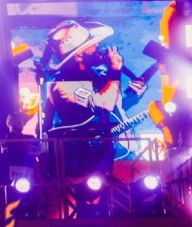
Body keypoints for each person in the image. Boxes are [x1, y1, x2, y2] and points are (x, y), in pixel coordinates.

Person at [37, 19, 148, 176]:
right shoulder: (61, 84)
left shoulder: (96, 76)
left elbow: (112, 110)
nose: (98, 47)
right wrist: (115, 71)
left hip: (109, 153)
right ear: (78, 55)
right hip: (82, 159)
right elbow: (104, 104)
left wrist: (134, 94)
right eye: (92, 45)